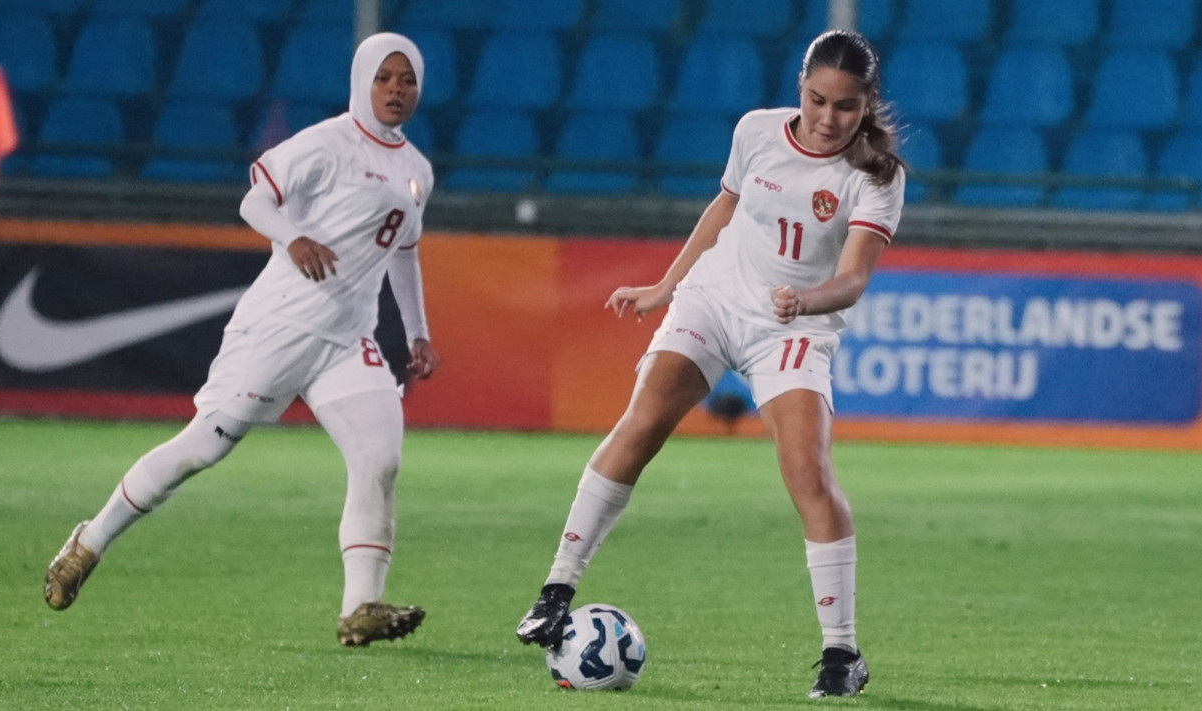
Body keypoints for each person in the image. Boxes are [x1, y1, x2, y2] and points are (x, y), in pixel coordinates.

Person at [515, 30, 905, 698]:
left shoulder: (875, 175)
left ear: (865, 103)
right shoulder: (755, 131)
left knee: (807, 472)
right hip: (715, 297)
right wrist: (665, 286)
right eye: (816, 99)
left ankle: (841, 653)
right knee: (641, 423)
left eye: (844, 106)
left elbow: (852, 279)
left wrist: (803, 300)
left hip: (793, 327)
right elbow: (723, 207)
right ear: (799, 88)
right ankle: (556, 590)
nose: (825, 118)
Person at [44, 32, 441, 649]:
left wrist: (417, 332)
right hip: (280, 326)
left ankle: (361, 607)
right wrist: (294, 237)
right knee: (200, 449)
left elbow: (404, 254)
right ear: (363, 81)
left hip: (347, 338)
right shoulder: (326, 142)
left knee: (381, 459)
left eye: (407, 80)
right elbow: (254, 201)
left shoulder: (417, 169)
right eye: (385, 78)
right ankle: (88, 541)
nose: (396, 90)